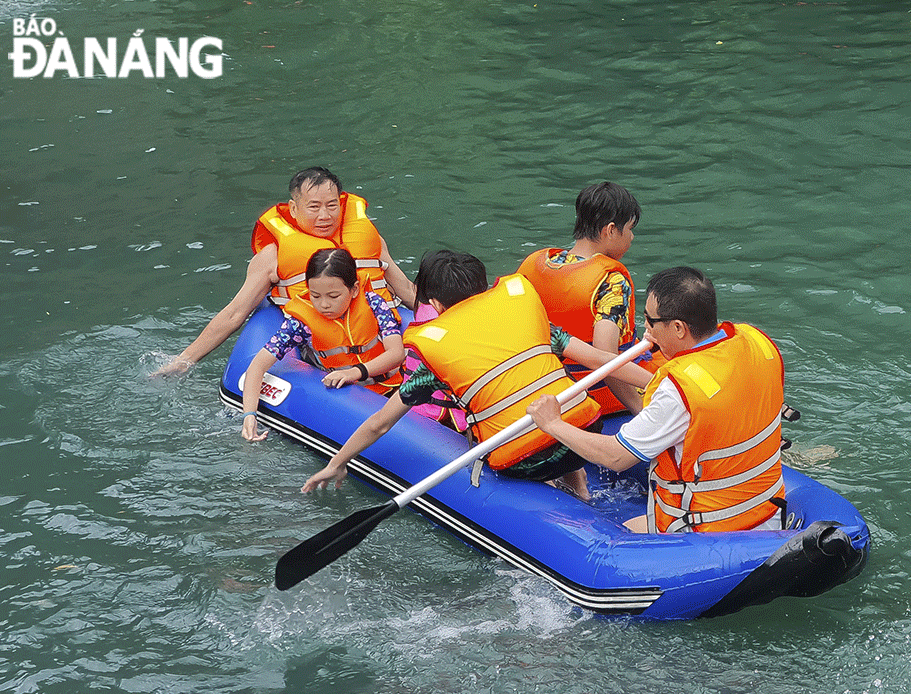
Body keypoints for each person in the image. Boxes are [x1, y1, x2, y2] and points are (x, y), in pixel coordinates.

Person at [301, 250, 652, 499]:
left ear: (435, 305)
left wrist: (337, 463)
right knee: (546, 395)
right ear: (483, 288)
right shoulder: (527, 318)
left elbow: (380, 422)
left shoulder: (436, 358)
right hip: (585, 432)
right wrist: (659, 382)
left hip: (523, 460)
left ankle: (551, 494)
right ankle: (581, 490)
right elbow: (603, 361)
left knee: (488, 423)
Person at [527, 266, 786, 534]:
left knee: (623, 530)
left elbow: (615, 457)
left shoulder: (678, 391)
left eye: (651, 321)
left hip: (708, 532)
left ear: (678, 328)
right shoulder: (758, 344)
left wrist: (553, 424)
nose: (646, 329)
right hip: (767, 514)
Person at [154, 166, 415, 375]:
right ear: (293, 208)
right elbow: (235, 313)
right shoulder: (273, 256)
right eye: (314, 207)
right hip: (327, 351)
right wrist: (185, 360)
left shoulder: (369, 239)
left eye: (332, 205)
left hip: (384, 333)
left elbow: (404, 289)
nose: (325, 215)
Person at [517, 181, 665, 415]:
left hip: (546, 383)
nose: (632, 237)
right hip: (595, 394)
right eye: (629, 229)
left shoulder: (534, 263)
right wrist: (640, 409)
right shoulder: (611, 281)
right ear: (610, 230)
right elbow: (606, 361)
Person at [240, 248, 405, 442]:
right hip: (350, 400)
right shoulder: (300, 324)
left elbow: (396, 353)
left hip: (392, 388)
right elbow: (257, 367)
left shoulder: (374, 304)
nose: (324, 304)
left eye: (333, 296)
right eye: (315, 296)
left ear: (354, 290)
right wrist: (249, 414)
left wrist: (353, 372)